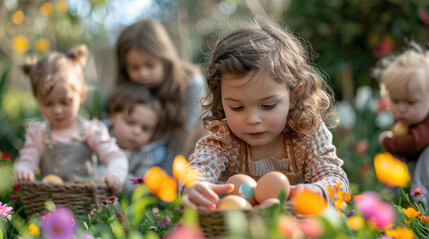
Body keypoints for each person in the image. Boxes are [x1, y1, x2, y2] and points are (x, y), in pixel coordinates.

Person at [181, 18, 349, 209]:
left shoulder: (307, 133)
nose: (252, 119)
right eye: (237, 107)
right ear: (221, 100)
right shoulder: (223, 139)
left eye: (268, 106)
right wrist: (192, 185)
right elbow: (200, 168)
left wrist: (319, 190)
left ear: (295, 95)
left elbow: (334, 178)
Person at [14, 45, 127, 194]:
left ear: (81, 96)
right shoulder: (39, 134)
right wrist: (24, 170)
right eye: (48, 103)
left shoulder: (91, 131)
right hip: (51, 206)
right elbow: (28, 160)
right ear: (38, 100)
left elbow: (116, 157)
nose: (57, 110)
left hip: (87, 205)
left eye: (65, 101)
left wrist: (114, 175)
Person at [115, 18, 207, 175]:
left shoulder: (191, 83)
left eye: (150, 65)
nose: (143, 73)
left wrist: (164, 182)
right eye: (135, 68)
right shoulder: (133, 90)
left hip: (190, 157)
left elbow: (182, 139)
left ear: (165, 59)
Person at [378, 48, 429, 209]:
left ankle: (420, 201)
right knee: (396, 158)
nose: (401, 108)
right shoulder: (408, 120)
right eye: (395, 101)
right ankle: (388, 199)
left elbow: (413, 143)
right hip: (411, 163)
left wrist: (387, 141)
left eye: (410, 102)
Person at [106, 81, 167, 194]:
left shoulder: (145, 153)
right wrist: (130, 185)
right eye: (130, 123)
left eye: (145, 129)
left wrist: (144, 186)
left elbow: (142, 181)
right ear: (112, 116)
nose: (136, 132)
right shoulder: (101, 141)